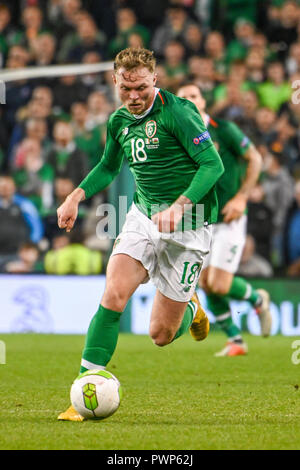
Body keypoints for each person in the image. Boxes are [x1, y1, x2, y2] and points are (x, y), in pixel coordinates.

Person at [56, 47, 224, 421]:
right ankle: (86, 386)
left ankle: (193, 306)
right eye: (126, 88)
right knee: (114, 293)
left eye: (141, 88)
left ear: (155, 79)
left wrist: (179, 205)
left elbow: (212, 165)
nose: (134, 97)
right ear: (115, 81)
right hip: (143, 218)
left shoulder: (178, 112)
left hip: (190, 224)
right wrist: (75, 196)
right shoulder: (118, 122)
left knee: (161, 335)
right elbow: (108, 165)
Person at [177, 83, 272, 357]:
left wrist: (242, 197)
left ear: (203, 101)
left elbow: (254, 158)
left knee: (217, 283)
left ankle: (257, 298)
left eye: (193, 96)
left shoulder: (223, 129)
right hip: (199, 220)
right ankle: (236, 341)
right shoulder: (178, 135)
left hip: (228, 217)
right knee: (205, 283)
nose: (189, 101)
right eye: (182, 98)